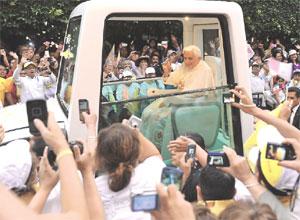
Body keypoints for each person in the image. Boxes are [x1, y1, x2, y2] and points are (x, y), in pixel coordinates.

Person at [94, 122, 165, 220]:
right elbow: (153, 154)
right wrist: (134, 132)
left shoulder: (95, 187)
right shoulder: (150, 171)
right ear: (138, 151)